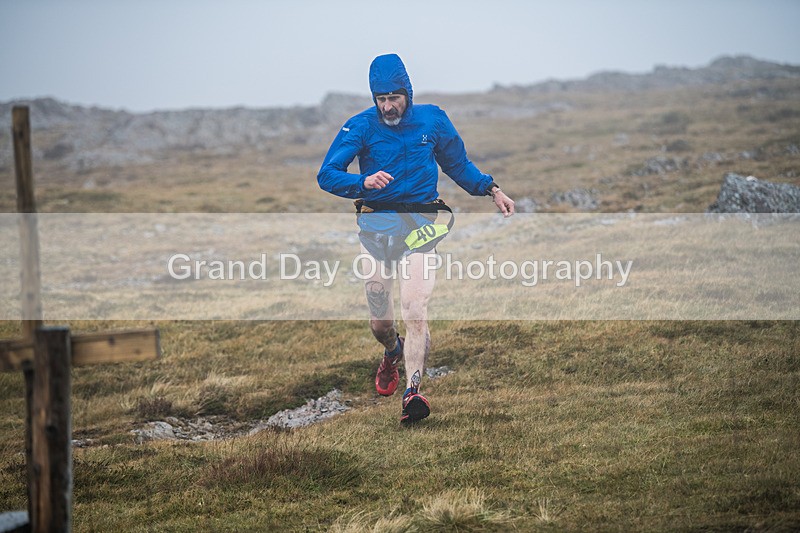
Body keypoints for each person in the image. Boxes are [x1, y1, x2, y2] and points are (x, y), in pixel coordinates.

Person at [317, 53, 515, 424]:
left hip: (422, 227)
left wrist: (492, 189)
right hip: (376, 228)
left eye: (394, 97)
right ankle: (392, 351)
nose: (388, 106)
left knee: (415, 308)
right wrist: (362, 182)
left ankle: (413, 392)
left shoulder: (432, 119)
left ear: (407, 92)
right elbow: (327, 174)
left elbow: (457, 164)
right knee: (381, 323)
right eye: (381, 99)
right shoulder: (359, 127)